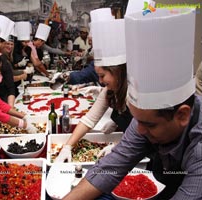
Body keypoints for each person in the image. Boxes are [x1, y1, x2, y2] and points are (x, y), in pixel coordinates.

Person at [63, 8, 201, 200]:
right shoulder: (146, 119)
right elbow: (111, 166)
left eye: (150, 124)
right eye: (137, 120)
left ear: (182, 115)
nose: (139, 130)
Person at [55, 16, 129, 163]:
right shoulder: (109, 90)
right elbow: (89, 119)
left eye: (102, 76)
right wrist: (67, 147)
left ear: (117, 72)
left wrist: (119, 146)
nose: (100, 81)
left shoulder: (133, 94)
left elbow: (144, 134)